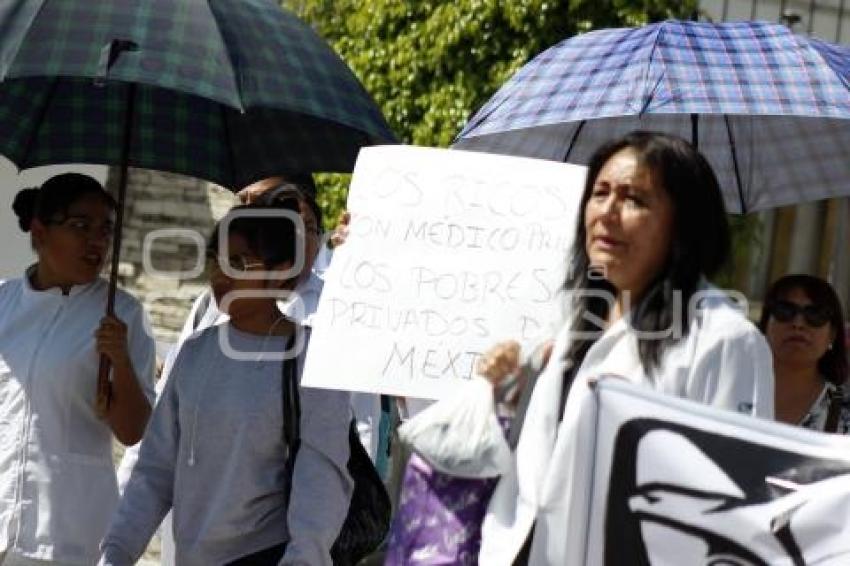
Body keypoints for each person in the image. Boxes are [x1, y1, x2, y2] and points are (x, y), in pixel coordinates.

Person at [403, 131, 775, 565]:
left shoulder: (724, 340)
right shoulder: (570, 323)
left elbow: (734, 512)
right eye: (599, 194)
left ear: (684, 224)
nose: (608, 213)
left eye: (634, 199)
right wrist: (506, 392)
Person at [100, 202, 352, 566]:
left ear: (281, 270)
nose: (221, 273)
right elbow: (155, 470)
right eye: (216, 259)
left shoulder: (307, 357)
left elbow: (322, 476)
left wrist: (303, 558)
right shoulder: (195, 352)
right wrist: (117, 551)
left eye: (240, 262)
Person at [0, 173, 155, 565]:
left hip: (64, 532)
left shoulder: (121, 314)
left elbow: (134, 431)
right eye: (80, 226)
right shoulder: (3, 302)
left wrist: (119, 359)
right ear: (39, 232)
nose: (97, 241)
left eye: (105, 229)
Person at [759, 274, 849, 432]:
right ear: (765, 324)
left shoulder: (845, 411)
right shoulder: (730, 387)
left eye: (815, 314)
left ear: (833, 334)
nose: (798, 324)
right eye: (785, 311)